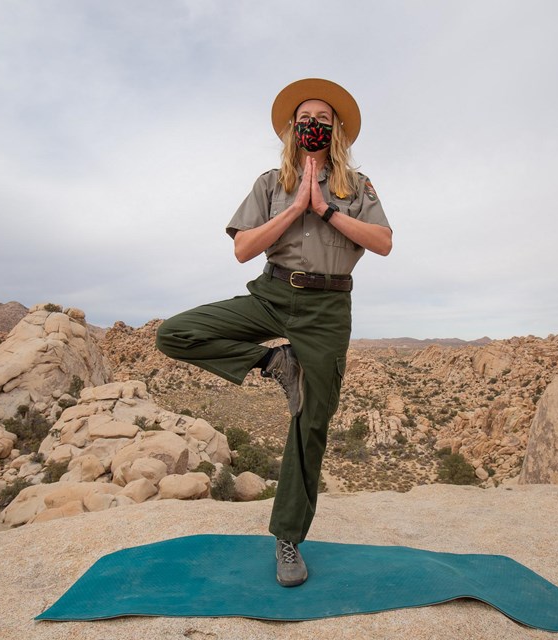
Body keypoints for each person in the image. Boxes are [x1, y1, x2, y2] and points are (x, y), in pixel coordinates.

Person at [156, 78, 392, 587]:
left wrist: (325, 208)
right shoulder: (270, 182)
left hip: (328, 309)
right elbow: (243, 249)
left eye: (323, 120)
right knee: (175, 333)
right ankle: (272, 362)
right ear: (291, 128)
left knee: (310, 427)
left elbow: (383, 241)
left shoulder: (358, 185)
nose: (313, 125)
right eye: (305, 118)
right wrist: (294, 207)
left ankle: (288, 538)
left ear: (337, 131)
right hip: (271, 294)